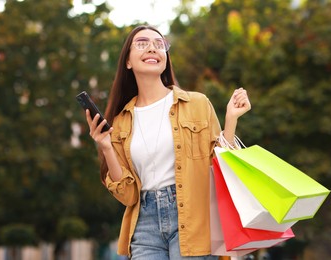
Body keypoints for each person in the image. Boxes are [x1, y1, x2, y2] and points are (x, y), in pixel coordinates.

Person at [85, 25, 251, 260]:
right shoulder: (120, 122)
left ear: (165, 58)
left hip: (194, 222)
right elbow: (128, 196)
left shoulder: (197, 103)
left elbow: (220, 165)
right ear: (128, 61)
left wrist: (231, 120)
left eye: (159, 44)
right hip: (145, 225)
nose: (152, 48)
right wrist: (106, 147)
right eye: (142, 43)